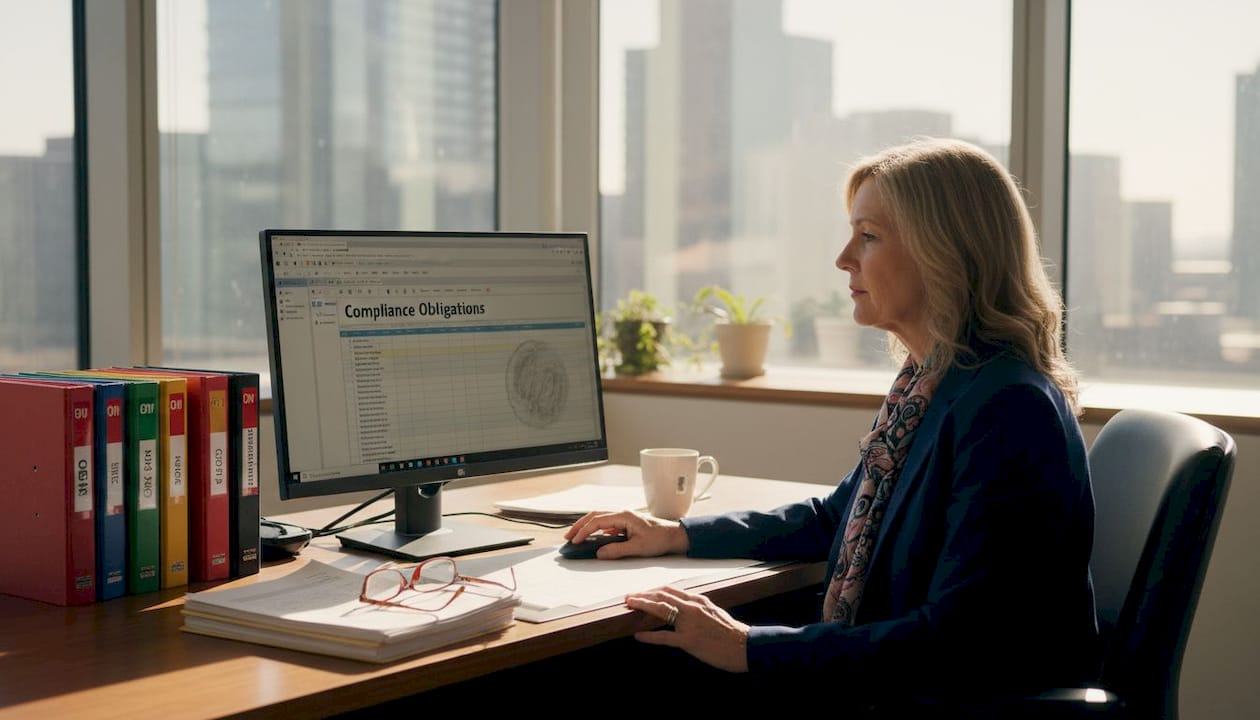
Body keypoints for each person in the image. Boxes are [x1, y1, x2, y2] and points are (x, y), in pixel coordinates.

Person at [565, 137, 1098, 711]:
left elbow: (956, 642)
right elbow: (835, 517)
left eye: (868, 237)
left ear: (943, 251)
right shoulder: (930, 385)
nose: (844, 258)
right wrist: (676, 535)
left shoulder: (1007, 408)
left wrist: (748, 646)